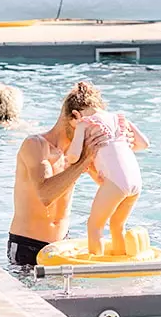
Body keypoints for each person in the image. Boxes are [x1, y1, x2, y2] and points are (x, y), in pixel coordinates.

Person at [8, 90, 107, 267]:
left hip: (61, 246)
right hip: (28, 245)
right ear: (74, 117)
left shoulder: (78, 152)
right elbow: (45, 195)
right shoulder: (35, 145)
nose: (92, 130)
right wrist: (84, 161)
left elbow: (105, 183)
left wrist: (119, 146)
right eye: (90, 123)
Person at [61, 80, 149, 256]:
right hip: (136, 181)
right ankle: (121, 258)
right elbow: (144, 144)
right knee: (117, 225)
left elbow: (73, 156)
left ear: (75, 114)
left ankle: (95, 265)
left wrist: (76, 137)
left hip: (116, 183)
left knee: (95, 226)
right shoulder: (120, 118)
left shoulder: (85, 123)